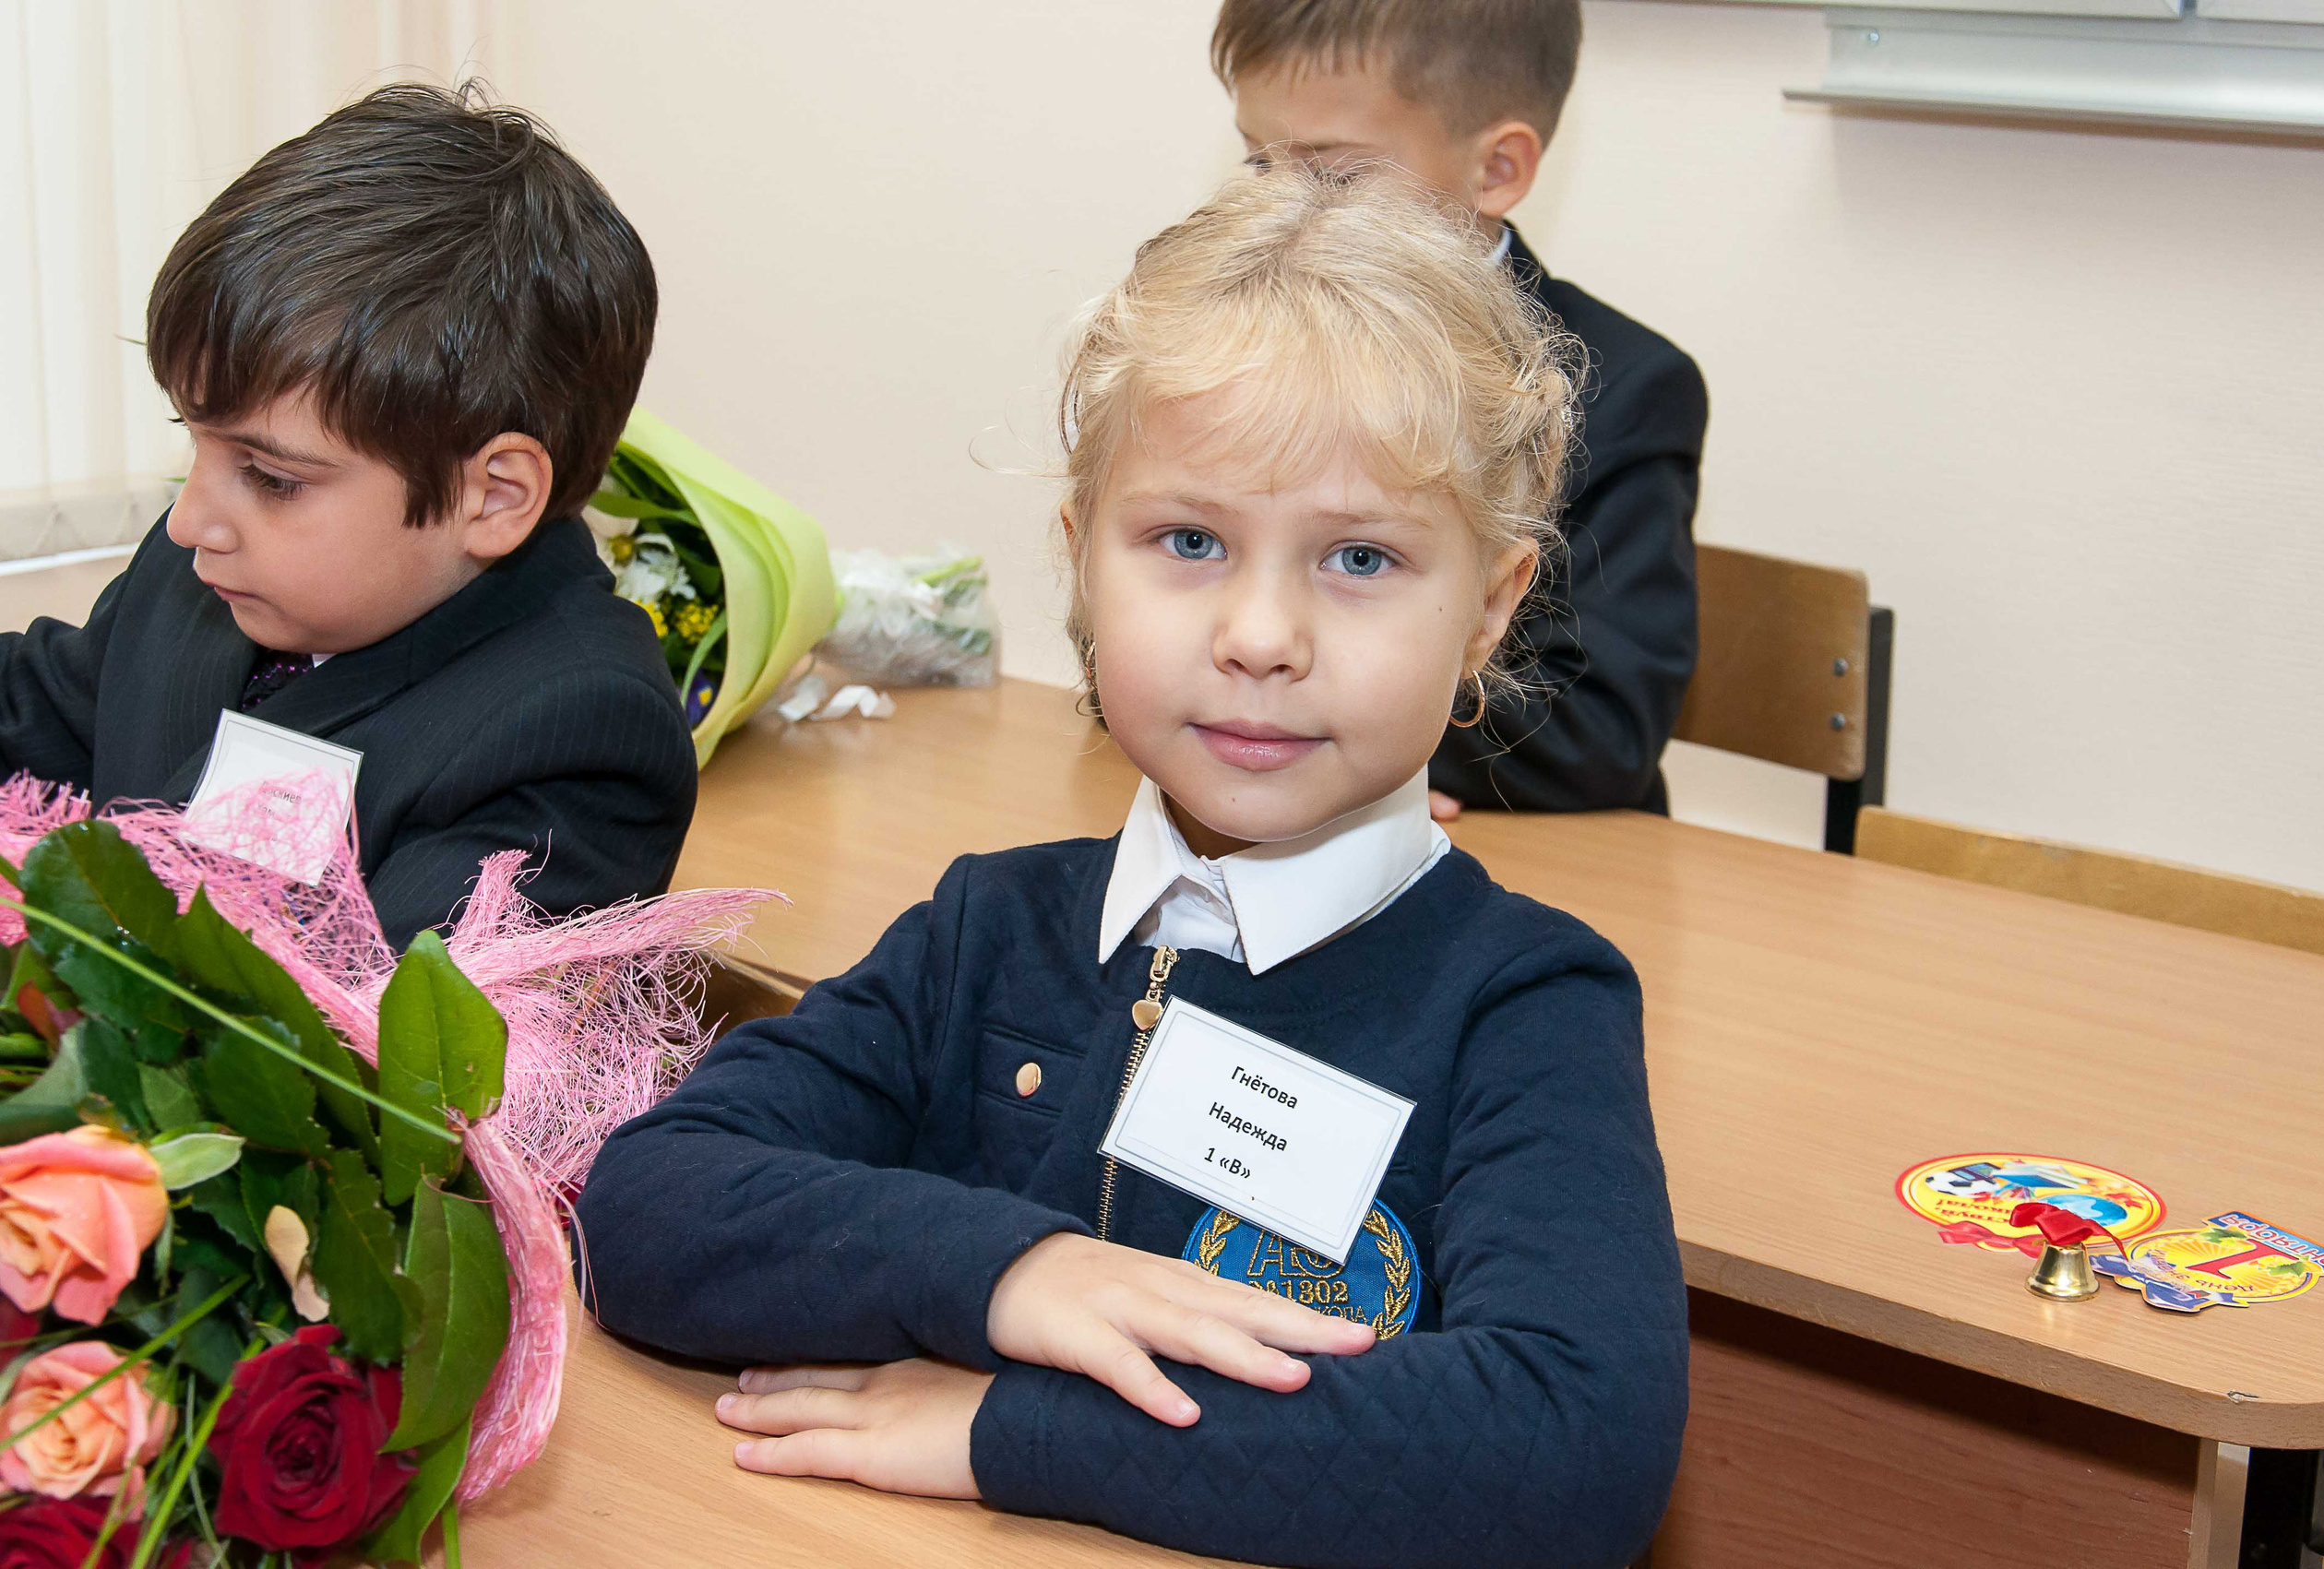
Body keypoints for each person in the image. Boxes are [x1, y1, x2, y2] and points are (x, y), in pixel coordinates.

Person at [577, 170, 1686, 1569]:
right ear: (1083, 569)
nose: (1261, 632)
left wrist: (1012, 1432)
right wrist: (1019, 1276)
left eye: (1359, 556)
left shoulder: (1527, 1002)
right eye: (1188, 542)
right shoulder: (993, 926)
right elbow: (646, 1209)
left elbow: (1572, 1455)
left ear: (1489, 611)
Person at [0, 84, 698, 946]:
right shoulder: (211, 570)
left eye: (270, 475)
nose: (189, 520)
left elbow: (341, 1046)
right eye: (197, 439)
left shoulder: (576, 734)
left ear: (495, 497)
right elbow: (37, 714)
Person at [1215, 0, 1707, 817]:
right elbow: (1133, 630)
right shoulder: (1219, 350)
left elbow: (1597, 732)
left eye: (1334, 173)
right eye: (1260, 169)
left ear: (1498, 169)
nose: (1283, 210)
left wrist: (1353, 753)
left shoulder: (1622, 386)